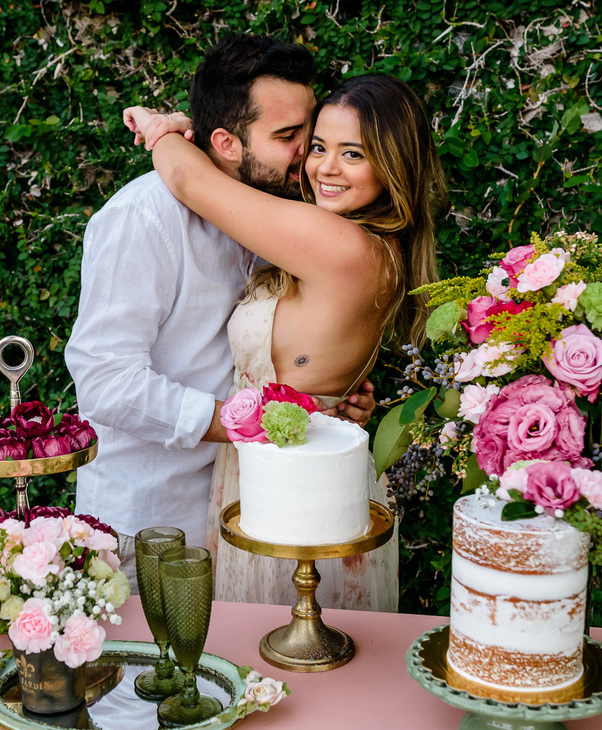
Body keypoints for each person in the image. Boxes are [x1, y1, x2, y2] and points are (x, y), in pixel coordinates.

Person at [124, 72, 448, 612]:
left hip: (293, 485)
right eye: (319, 146)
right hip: (295, 466)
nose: (324, 167)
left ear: (394, 166)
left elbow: (190, 183)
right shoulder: (371, 243)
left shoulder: (340, 243)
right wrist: (330, 402)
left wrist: (164, 130)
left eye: (353, 154)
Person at [64, 35, 375, 589]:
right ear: (226, 143)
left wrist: (324, 402)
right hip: (155, 524)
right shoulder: (144, 217)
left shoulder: (281, 212)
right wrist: (260, 424)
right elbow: (105, 382)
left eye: (309, 130)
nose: (310, 151)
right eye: (288, 136)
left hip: (252, 506)